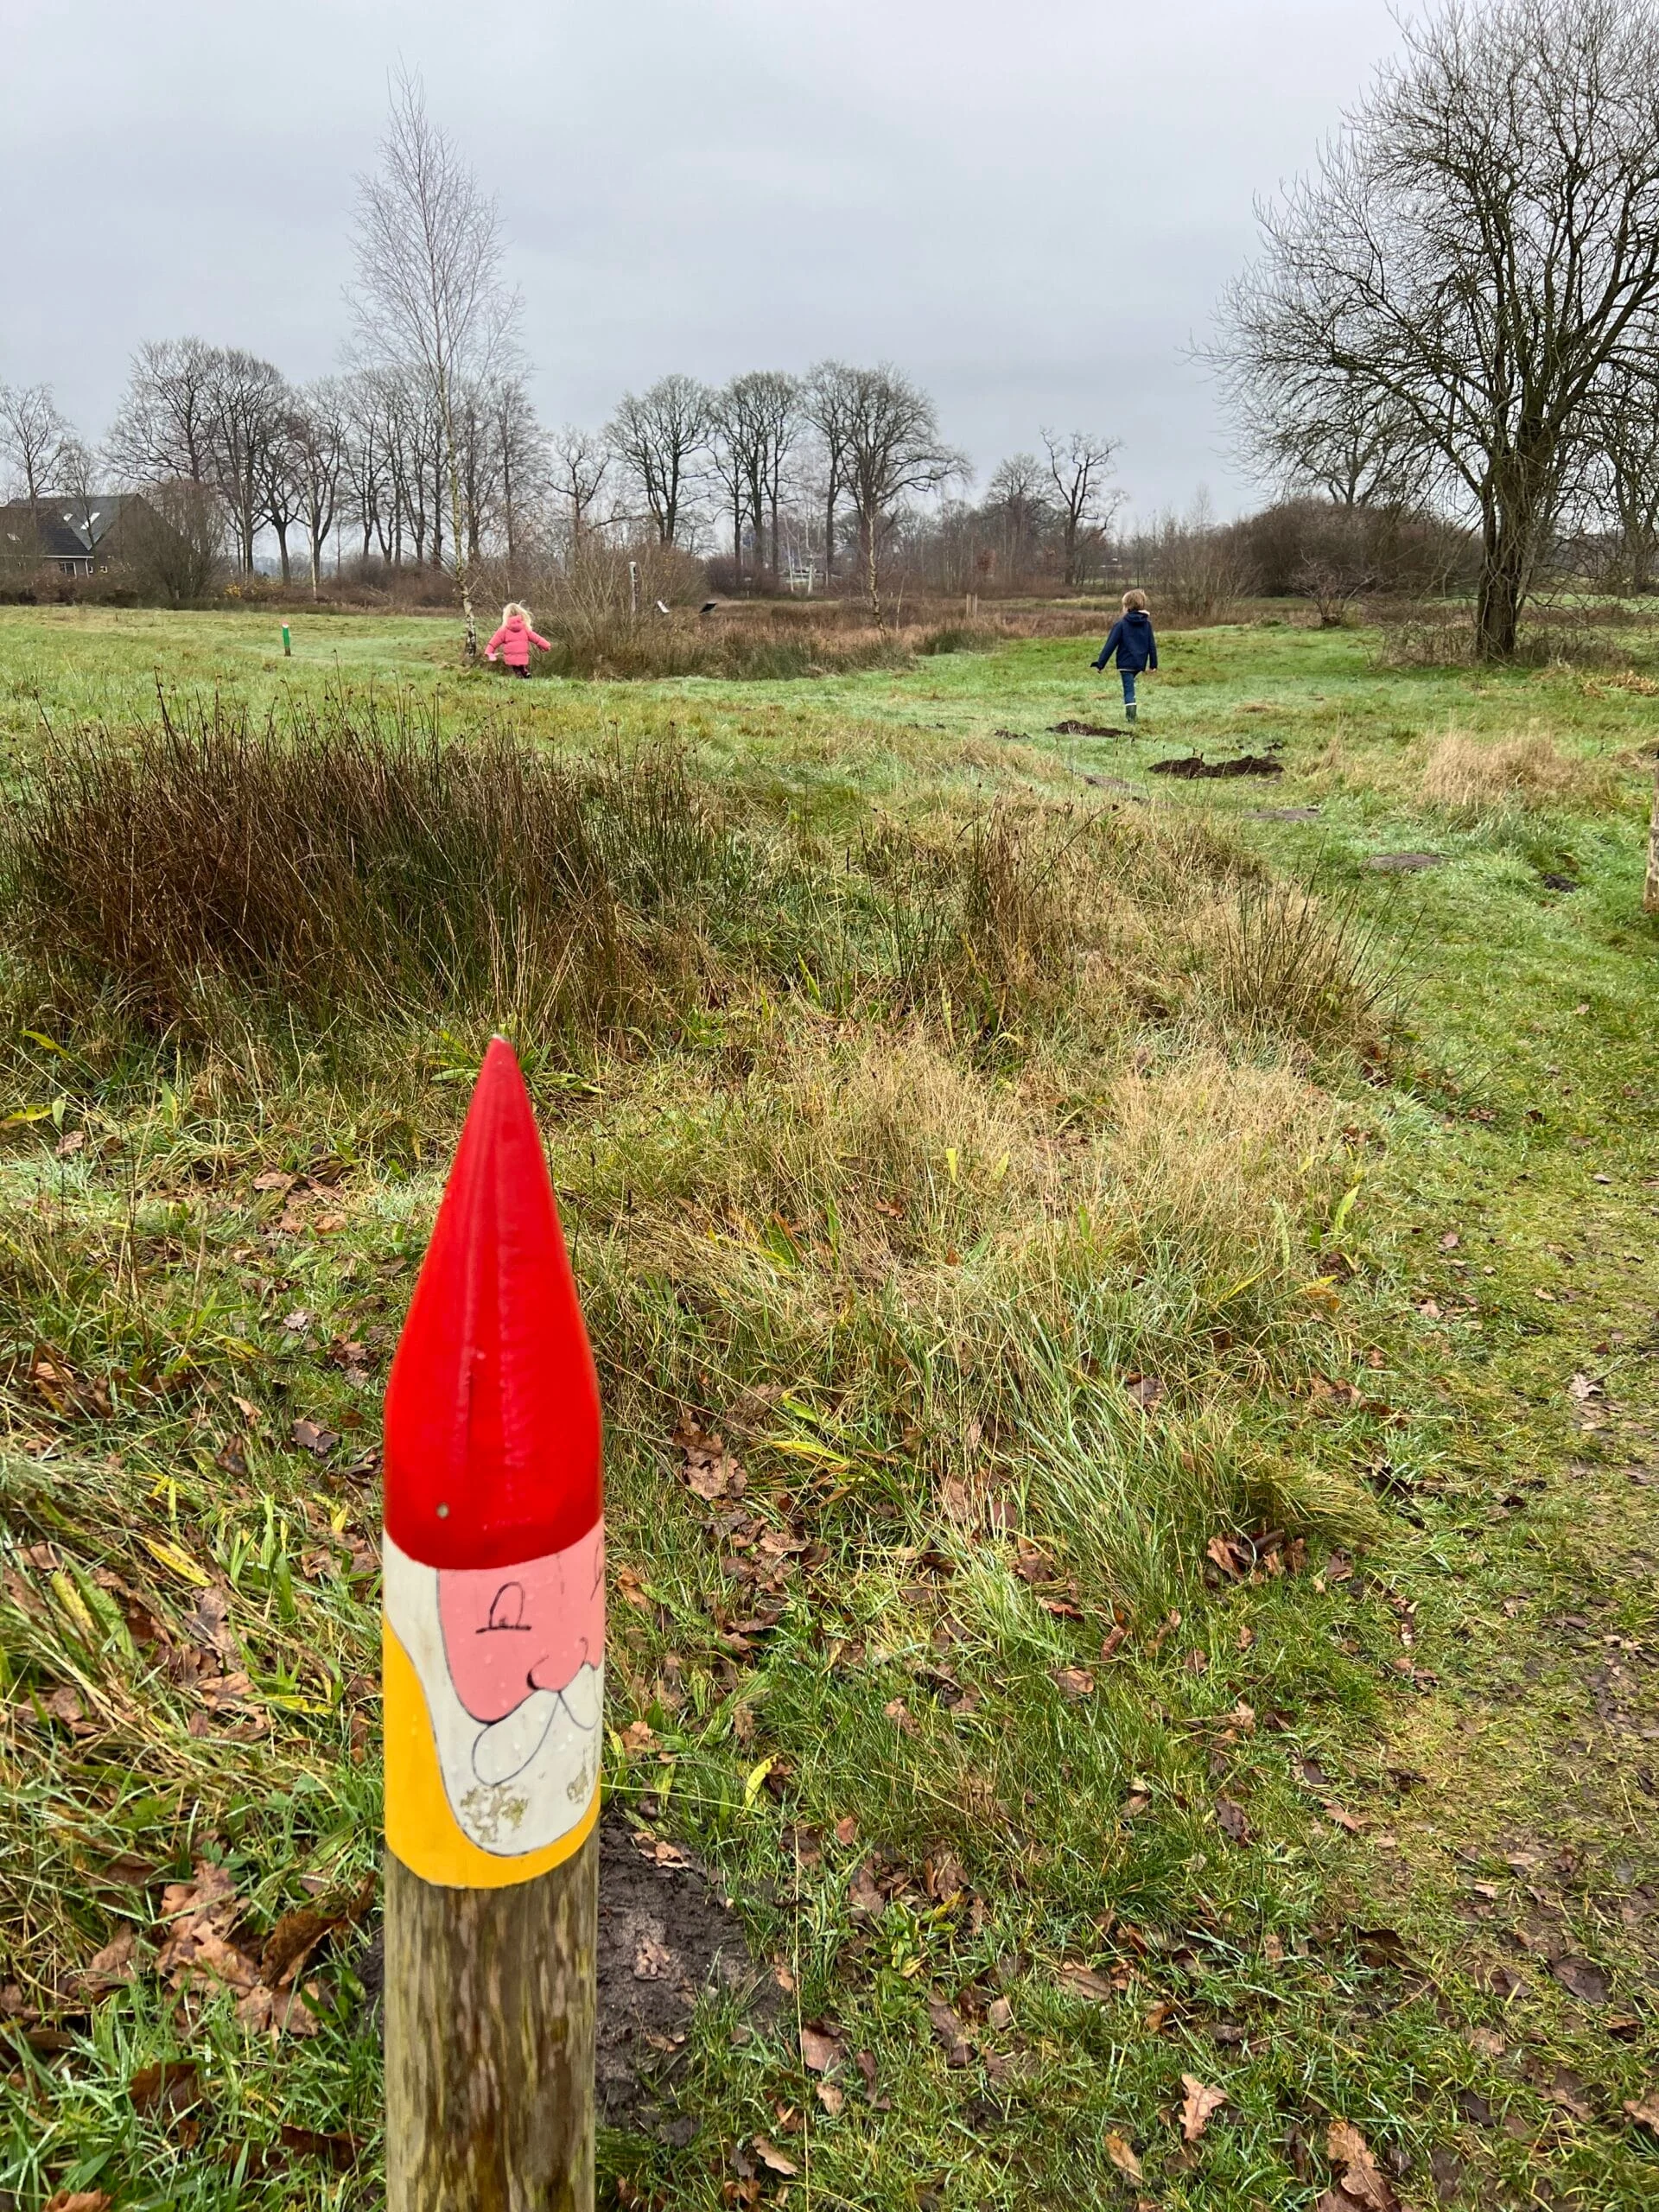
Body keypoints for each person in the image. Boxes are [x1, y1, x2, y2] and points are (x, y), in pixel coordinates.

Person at [1091, 589, 1157, 722]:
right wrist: (1153, 664)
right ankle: (1131, 715)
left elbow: (1110, 645)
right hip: (1139, 663)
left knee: (1129, 690)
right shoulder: (1147, 624)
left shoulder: (1121, 624)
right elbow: (1152, 645)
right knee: (1131, 684)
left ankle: (1131, 719)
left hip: (1125, 663)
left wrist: (1100, 664)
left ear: (1127, 607)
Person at [485, 602, 550, 678]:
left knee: (516, 668)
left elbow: (494, 642)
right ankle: (525, 673)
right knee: (522, 666)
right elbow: (537, 638)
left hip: (511, 656)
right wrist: (546, 645)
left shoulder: (504, 629)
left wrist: (489, 652)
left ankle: (519, 675)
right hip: (523, 656)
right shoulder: (525, 628)